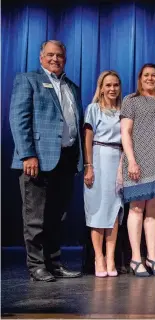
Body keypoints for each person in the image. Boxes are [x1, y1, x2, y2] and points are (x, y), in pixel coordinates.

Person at [9, 40, 83, 282]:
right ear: (41, 57)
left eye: (59, 55)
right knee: (35, 218)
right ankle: (36, 265)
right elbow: (19, 120)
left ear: (65, 58)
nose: (55, 59)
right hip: (37, 160)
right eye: (50, 55)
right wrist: (27, 154)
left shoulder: (72, 86)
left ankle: (54, 263)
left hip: (65, 161)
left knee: (57, 217)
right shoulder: (27, 80)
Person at [120, 63, 155, 277]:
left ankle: (151, 258)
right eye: (146, 75)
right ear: (140, 79)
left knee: (153, 211)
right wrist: (132, 161)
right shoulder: (131, 101)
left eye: (154, 75)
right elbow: (125, 133)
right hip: (139, 163)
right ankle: (136, 258)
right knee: (136, 208)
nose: (150, 78)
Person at [83, 70, 124, 278]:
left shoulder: (123, 110)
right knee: (98, 210)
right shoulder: (93, 109)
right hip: (98, 158)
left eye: (115, 85)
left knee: (114, 210)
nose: (112, 89)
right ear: (101, 87)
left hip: (117, 158)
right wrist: (89, 165)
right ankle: (98, 257)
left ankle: (111, 257)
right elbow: (88, 138)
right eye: (108, 85)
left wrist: (122, 167)